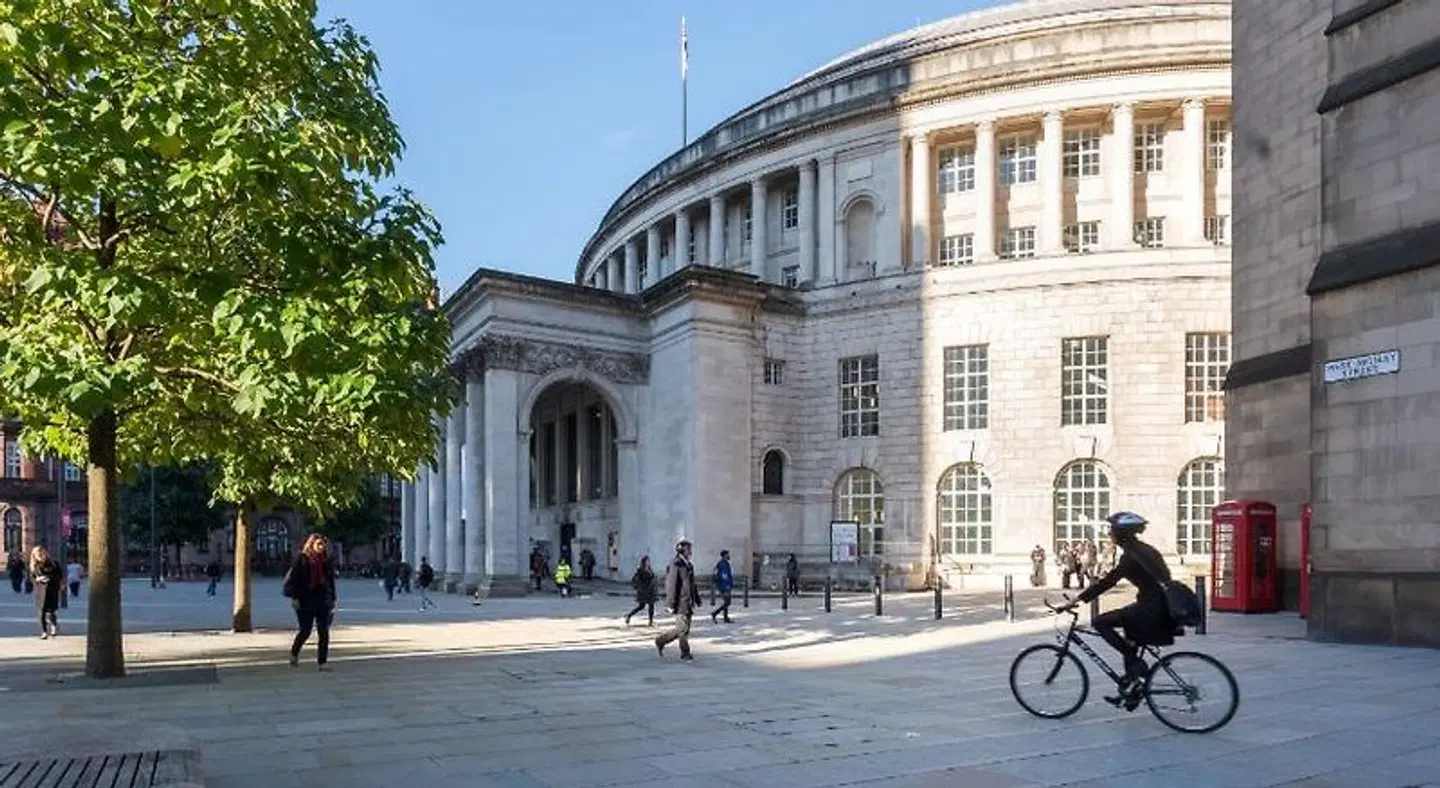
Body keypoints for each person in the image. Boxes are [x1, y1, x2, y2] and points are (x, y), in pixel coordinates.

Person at [1056, 511, 1175, 708]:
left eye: (1112, 531)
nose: (1109, 535)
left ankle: (1136, 666)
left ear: (1121, 534)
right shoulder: (1144, 550)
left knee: (1100, 622)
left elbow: (1108, 582)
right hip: (1158, 605)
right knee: (1130, 640)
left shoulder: (1130, 557)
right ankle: (1132, 689)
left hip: (1152, 608)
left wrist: (1077, 599)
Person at [283, 534, 338, 671]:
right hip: (304, 599)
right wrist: (294, 598)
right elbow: (293, 580)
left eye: (323, 544)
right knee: (305, 630)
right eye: (318, 544)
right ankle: (294, 653)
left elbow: (330, 582)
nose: (321, 547)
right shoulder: (302, 559)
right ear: (311, 544)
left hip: (322, 599)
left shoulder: (326, 560)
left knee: (323, 631)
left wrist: (333, 599)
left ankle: (322, 662)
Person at [656, 538, 701, 661]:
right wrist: (670, 603)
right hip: (680, 601)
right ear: (681, 551)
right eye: (688, 549)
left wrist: (697, 598)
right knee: (683, 629)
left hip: (688, 601)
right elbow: (671, 584)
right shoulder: (676, 564)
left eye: (690, 549)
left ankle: (661, 640)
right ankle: (685, 653)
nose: (690, 552)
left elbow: (692, 584)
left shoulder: (689, 565)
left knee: (684, 629)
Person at [29, 545, 63, 639]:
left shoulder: (53, 563)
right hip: (40, 591)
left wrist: (49, 578)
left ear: (45, 553)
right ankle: (44, 631)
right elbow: (31, 578)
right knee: (41, 612)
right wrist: (37, 579)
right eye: (38, 555)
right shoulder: (33, 566)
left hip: (52, 589)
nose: (40, 556)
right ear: (34, 556)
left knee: (51, 611)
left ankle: (54, 625)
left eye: (42, 554)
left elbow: (59, 575)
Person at [625, 556, 658, 626]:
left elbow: (652, 578)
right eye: (647, 561)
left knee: (651, 605)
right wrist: (640, 587)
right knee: (641, 606)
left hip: (650, 591)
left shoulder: (649, 569)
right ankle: (629, 615)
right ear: (644, 562)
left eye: (649, 561)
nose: (648, 562)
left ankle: (650, 621)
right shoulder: (640, 570)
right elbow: (637, 580)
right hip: (644, 592)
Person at [711, 549, 734, 624]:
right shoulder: (723, 564)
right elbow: (724, 576)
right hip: (724, 586)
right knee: (727, 602)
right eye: (727, 554)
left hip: (724, 585)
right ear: (724, 555)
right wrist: (727, 586)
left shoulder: (724, 563)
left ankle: (725, 617)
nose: (729, 556)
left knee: (726, 602)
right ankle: (715, 613)